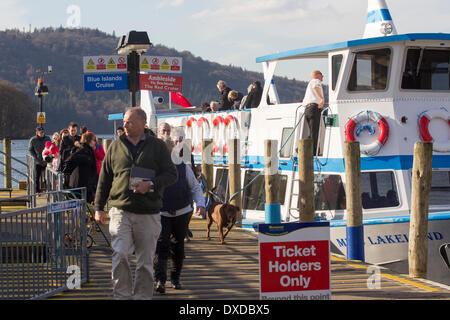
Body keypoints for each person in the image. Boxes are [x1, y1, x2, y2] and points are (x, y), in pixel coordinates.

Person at [94, 107, 178, 300]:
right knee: (120, 253)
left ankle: (142, 297)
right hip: (120, 210)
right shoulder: (116, 146)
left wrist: (151, 184)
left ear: (143, 123)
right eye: (124, 121)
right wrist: (99, 207)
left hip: (148, 212)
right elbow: (105, 178)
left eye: (129, 121)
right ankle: (122, 296)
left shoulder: (157, 146)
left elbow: (171, 174)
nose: (125, 124)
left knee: (145, 261)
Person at [154, 133, 205, 294]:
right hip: (162, 212)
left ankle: (175, 278)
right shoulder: (155, 168)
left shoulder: (183, 167)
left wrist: (201, 204)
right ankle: (160, 280)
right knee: (161, 245)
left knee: (178, 246)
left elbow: (195, 187)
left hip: (182, 211)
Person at [62, 132, 98, 203]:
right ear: (89, 141)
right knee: (84, 204)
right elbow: (71, 159)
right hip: (82, 184)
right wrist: (86, 159)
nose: (95, 143)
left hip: (81, 183)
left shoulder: (84, 149)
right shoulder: (84, 150)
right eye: (94, 140)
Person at [302, 70, 325, 154]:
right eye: (322, 75)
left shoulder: (310, 83)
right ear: (317, 75)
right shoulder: (316, 81)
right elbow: (316, 87)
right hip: (314, 108)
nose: (322, 77)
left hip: (307, 109)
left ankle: (304, 147)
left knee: (312, 131)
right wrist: (322, 98)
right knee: (315, 131)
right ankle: (314, 151)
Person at [28, 127, 51, 193]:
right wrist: (35, 157)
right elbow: (30, 149)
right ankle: (37, 190)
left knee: (48, 176)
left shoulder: (47, 139)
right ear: (37, 133)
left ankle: (48, 189)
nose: (42, 134)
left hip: (46, 161)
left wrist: (48, 156)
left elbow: (51, 147)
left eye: (43, 132)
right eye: (40, 132)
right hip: (37, 161)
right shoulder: (33, 140)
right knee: (37, 176)